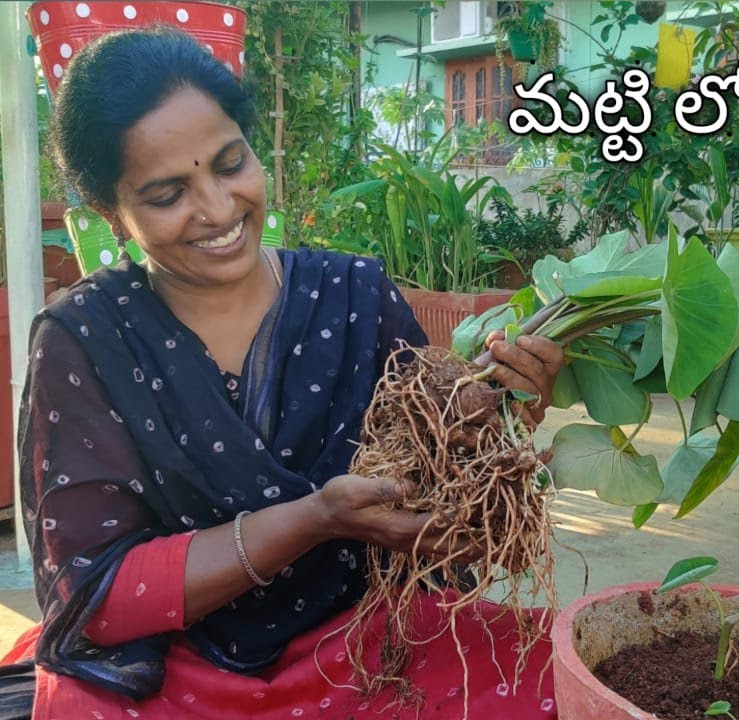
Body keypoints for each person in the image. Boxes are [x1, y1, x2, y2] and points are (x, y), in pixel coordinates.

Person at [0, 25, 566, 720]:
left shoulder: (355, 296)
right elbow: (94, 595)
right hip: (176, 670)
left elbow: (450, 507)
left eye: (230, 163)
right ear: (110, 214)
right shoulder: (85, 338)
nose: (217, 209)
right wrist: (314, 519)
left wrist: (500, 423)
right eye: (166, 193)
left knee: (565, 678)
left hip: (372, 646)